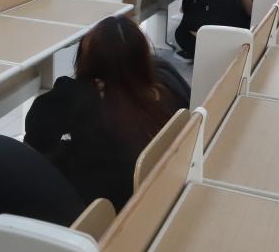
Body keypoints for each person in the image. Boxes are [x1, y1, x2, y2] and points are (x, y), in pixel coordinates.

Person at [25, 15, 184, 211]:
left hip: (100, 206)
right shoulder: (165, 80)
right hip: (157, 193)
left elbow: (35, 138)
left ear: (89, 59)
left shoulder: (75, 95)